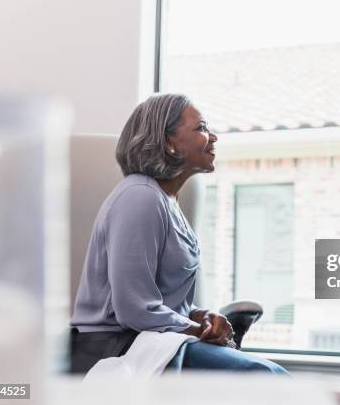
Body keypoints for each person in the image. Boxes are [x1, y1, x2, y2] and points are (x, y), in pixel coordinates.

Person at [69, 93, 287, 375]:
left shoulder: (166, 200)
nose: (213, 137)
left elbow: (161, 299)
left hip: (152, 340)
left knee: (266, 377)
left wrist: (199, 314)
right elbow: (135, 309)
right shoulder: (140, 196)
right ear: (169, 143)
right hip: (117, 348)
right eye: (202, 128)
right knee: (265, 376)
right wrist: (200, 331)